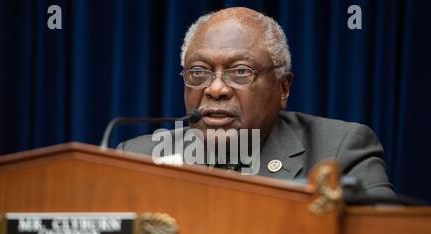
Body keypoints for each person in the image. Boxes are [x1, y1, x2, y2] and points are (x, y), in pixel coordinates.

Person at [118, 7, 395, 197]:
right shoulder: (136, 158)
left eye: (240, 71)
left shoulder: (339, 150)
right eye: (198, 72)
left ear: (283, 88)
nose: (215, 88)